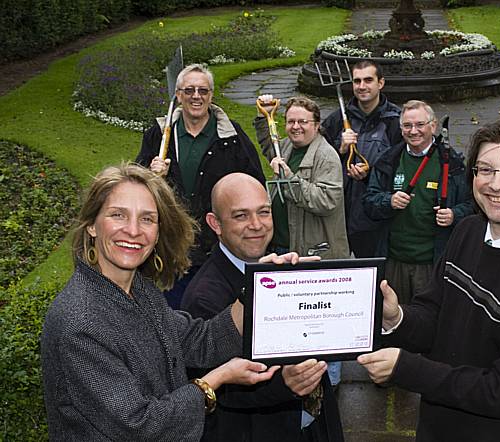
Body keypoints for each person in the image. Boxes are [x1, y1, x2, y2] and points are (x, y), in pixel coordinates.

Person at [357, 118, 500, 441]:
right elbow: (434, 314)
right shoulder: (468, 232)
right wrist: (397, 318)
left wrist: (406, 369)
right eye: (485, 170)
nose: (496, 184)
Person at [40, 163, 277, 441]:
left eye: (147, 219)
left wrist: (259, 286)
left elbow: (201, 341)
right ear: (92, 225)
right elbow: (138, 425)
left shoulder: (141, 291)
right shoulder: (80, 321)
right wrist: (215, 380)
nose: (133, 230)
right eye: (118, 215)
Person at [181, 172, 344, 442]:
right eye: (241, 216)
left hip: (311, 424)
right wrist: (285, 384)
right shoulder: (204, 297)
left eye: (264, 212)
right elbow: (211, 384)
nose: (256, 225)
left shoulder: (279, 265)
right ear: (215, 223)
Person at [136, 63, 265, 309]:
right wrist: (150, 176)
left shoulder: (231, 136)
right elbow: (134, 188)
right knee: (174, 318)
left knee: (214, 316)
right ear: (178, 95)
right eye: (190, 90)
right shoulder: (159, 135)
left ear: (211, 95)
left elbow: (256, 184)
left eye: (203, 91)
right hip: (172, 249)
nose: (197, 96)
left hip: (216, 251)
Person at [255, 94, 350, 389]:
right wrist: (265, 117)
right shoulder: (286, 146)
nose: (296, 127)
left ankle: (329, 387)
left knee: (322, 325)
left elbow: (327, 199)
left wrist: (290, 179)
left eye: (302, 122)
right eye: (290, 121)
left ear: (317, 125)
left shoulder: (326, 156)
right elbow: (269, 145)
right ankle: (300, 384)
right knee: (294, 324)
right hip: (285, 249)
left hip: (316, 254)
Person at [363, 100, 473, 304]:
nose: (414, 131)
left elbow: (473, 207)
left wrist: (453, 215)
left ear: (433, 125)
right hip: (394, 262)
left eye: (420, 124)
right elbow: (369, 201)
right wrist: (389, 201)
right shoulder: (389, 160)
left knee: (431, 321)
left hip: (433, 263)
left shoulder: (453, 164)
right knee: (394, 319)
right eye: (407, 125)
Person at [321, 60, 402, 258]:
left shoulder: (395, 120)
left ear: (380, 83)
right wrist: (339, 149)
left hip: (376, 218)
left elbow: (401, 166)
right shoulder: (337, 119)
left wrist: (370, 173)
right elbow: (318, 160)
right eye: (357, 81)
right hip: (340, 213)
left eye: (368, 80)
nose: (362, 86)